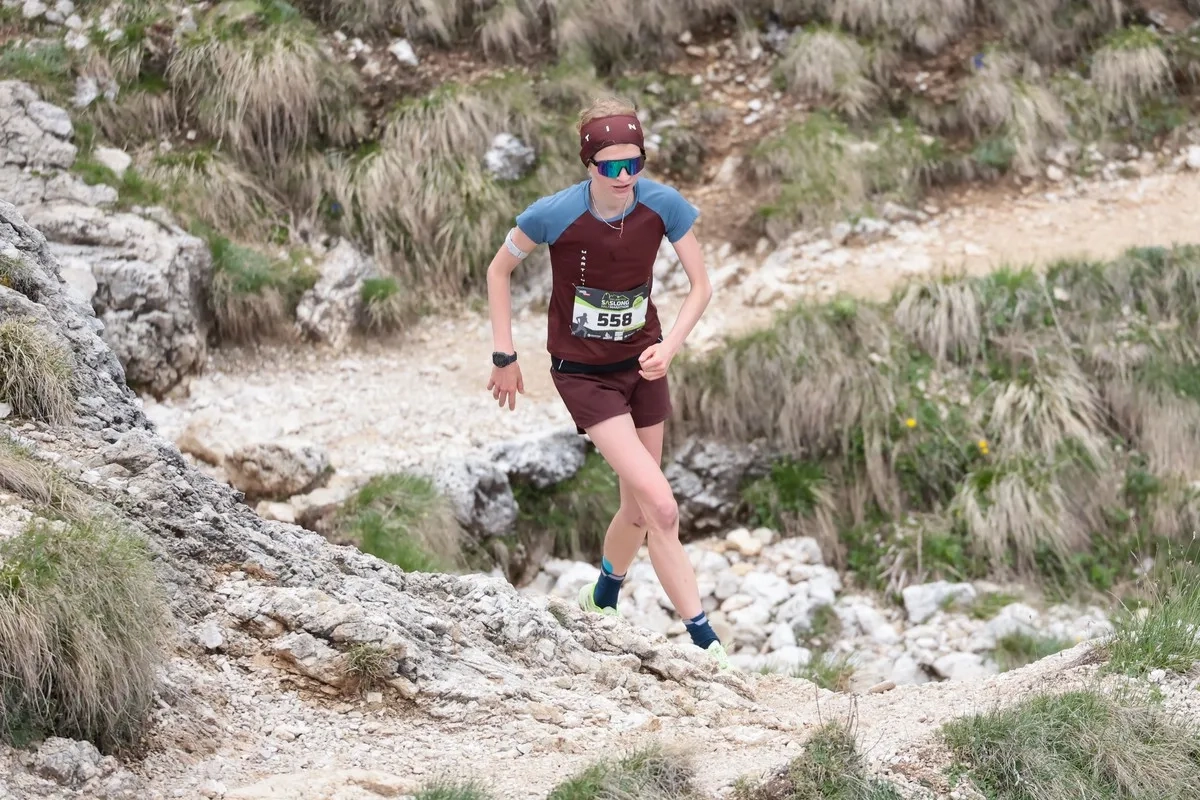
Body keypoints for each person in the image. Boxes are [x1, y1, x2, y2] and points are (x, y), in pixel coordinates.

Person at [483, 96, 729, 670]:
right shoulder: (553, 213)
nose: (624, 177)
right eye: (610, 166)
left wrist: (669, 347)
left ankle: (601, 599)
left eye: (634, 163)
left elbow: (701, 286)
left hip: (644, 366)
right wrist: (504, 354)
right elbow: (499, 269)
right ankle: (706, 644)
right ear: (588, 164)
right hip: (584, 376)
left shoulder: (663, 205)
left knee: (639, 511)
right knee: (662, 506)